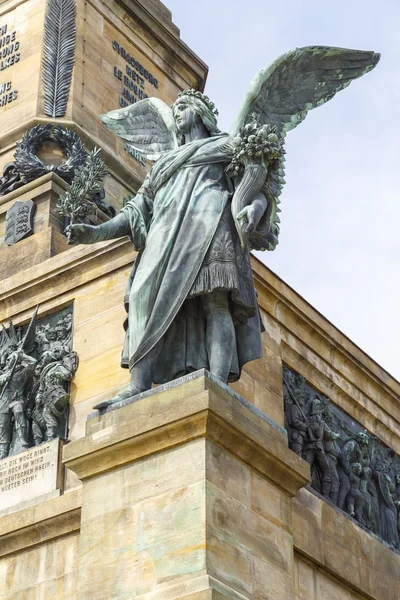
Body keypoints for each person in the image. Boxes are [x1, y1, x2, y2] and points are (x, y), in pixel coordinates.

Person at [68, 92, 267, 408]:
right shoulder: (162, 165)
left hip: (211, 223)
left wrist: (254, 208)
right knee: (143, 301)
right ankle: (137, 384)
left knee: (216, 301)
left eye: (184, 107)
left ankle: (215, 384)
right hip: (163, 239)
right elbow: (137, 210)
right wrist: (96, 232)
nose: (176, 112)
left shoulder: (226, 147)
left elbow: (256, 188)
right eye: (174, 109)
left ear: (200, 113)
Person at [0, 343, 37, 457]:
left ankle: (23, 442)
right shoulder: (3, 374)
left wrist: (22, 356)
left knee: (19, 412)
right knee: (3, 425)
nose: (9, 361)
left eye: (11, 358)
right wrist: (2, 379)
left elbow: (34, 363)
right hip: (4, 401)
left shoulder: (22, 372)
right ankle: (3, 450)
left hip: (17, 398)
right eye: (8, 359)